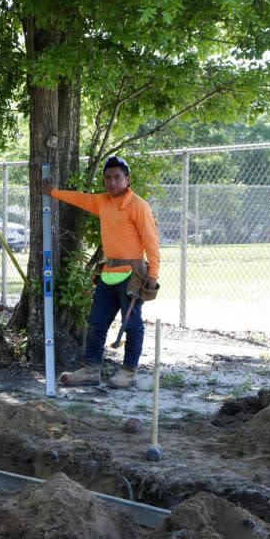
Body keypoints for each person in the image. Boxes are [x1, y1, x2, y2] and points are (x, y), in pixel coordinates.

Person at [42, 155, 160, 388]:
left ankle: (128, 372)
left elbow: (151, 242)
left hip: (133, 272)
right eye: (108, 178)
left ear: (127, 179)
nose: (112, 182)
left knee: (132, 324)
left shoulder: (138, 205)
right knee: (96, 322)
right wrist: (53, 192)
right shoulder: (103, 201)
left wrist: (153, 275)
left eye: (117, 177)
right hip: (109, 270)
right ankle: (90, 370)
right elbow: (80, 199)